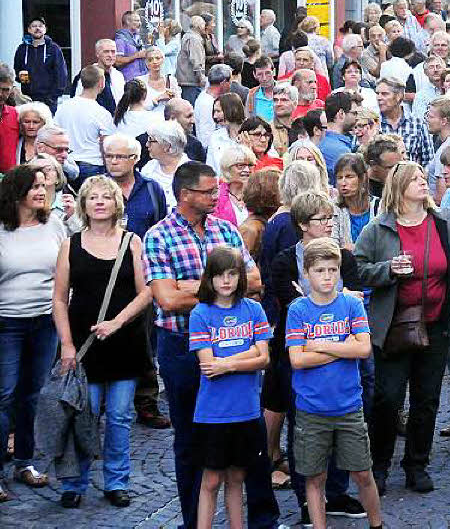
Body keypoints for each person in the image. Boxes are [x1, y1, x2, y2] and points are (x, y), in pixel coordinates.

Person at [144, 161, 279, 529]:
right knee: (189, 438)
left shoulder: (225, 230)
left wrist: (189, 286)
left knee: (248, 432)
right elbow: (165, 299)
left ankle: (263, 519)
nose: (216, 195)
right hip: (181, 346)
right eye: (208, 190)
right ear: (186, 194)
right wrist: (219, 288)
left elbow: (254, 281)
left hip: (236, 342)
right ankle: (193, 521)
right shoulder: (159, 236)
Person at [352, 162, 450, 494]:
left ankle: (417, 464)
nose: (424, 182)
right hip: (393, 327)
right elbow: (358, 270)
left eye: (423, 178)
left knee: (427, 399)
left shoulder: (443, 224)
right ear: (399, 187)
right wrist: (388, 270)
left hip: (435, 326)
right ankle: (379, 465)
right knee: (387, 399)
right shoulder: (379, 229)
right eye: (416, 179)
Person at [51, 175, 150, 508]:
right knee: (83, 415)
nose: (99, 202)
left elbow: (147, 291)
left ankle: (117, 481)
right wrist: (66, 344)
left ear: (115, 203)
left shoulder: (132, 242)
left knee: (120, 417)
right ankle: (75, 482)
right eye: (92, 197)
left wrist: (117, 322)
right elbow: (60, 298)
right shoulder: (71, 244)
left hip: (124, 342)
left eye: (105, 196)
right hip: (83, 343)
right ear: (83, 204)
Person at [285, 237, 382, 529]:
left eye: (332, 270)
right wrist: (342, 345)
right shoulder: (298, 310)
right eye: (320, 271)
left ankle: (376, 524)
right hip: (312, 409)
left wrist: (320, 345)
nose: (327, 277)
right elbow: (297, 361)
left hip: (348, 406)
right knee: (315, 478)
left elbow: (364, 349)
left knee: (363, 473)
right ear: (306, 273)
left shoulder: (351, 305)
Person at [188, 246, 271, 529]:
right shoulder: (200, 313)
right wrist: (247, 354)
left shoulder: (254, 309)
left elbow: (264, 358)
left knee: (238, 478)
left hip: (247, 411)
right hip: (213, 413)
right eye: (220, 275)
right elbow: (209, 366)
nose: (226, 281)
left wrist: (229, 364)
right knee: (211, 480)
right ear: (209, 278)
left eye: (232, 274)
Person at [0, 165, 68, 499]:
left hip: (44, 321)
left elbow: (64, 271)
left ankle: (24, 460)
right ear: (17, 191)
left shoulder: (54, 225)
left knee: (33, 394)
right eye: (34, 186)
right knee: (4, 395)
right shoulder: (2, 229)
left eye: (45, 185)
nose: (42, 192)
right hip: (6, 322)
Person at [54, 64, 116, 184]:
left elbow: (55, 132)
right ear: (101, 83)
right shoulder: (102, 113)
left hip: (67, 163)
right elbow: (106, 145)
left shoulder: (63, 107)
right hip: (93, 165)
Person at [14, 16, 68, 112]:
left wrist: (52, 97)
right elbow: (18, 69)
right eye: (34, 26)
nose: (37, 28)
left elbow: (61, 75)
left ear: (45, 29)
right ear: (29, 30)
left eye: (40, 26)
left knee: (46, 126)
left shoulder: (53, 49)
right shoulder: (22, 49)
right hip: (28, 100)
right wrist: (24, 84)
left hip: (48, 101)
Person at [332, 154, 380, 251]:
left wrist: (356, 248)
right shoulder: (333, 208)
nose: (343, 183)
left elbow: (381, 246)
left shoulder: (379, 206)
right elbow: (333, 247)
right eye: (340, 178)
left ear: (362, 178)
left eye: (349, 176)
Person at [212, 144, 258, 227]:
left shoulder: (258, 194)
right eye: (240, 166)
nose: (247, 170)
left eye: (250, 165)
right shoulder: (216, 195)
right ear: (228, 168)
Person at [206, 92, 246, 177]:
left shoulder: (252, 132)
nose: (215, 116)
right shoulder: (215, 137)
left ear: (233, 109)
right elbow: (210, 168)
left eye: (218, 111)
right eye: (214, 112)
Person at [140, 46, 181, 116]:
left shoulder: (171, 80)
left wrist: (174, 98)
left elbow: (179, 105)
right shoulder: (140, 82)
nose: (154, 62)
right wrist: (157, 99)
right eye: (150, 60)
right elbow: (137, 108)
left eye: (157, 58)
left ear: (163, 60)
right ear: (146, 63)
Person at [177, 16, 208, 105]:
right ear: (198, 26)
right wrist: (201, 78)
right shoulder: (194, 39)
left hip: (186, 80)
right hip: (191, 81)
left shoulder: (187, 36)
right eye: (203, 25)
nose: (204, 27)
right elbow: (196, 61)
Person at [113, 10, 148, 81]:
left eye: (139, 21)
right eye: (136, 21)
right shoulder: (120, 39)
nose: (140, 23)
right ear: (127, 22)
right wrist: (136, 56)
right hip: (129, 79)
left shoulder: (137, 38)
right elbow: (117, 62)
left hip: (143, 77)